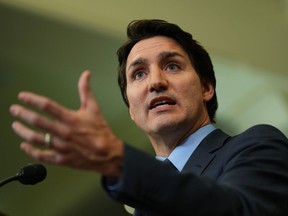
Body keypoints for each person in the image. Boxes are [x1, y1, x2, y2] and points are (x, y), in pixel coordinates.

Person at [9, 19, 288, 216]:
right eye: (139, 73)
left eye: (172, 66)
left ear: (206, 87)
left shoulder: (257, 143)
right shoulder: (140, 201)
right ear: (131, 109)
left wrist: (119, 160)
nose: (155, 82)